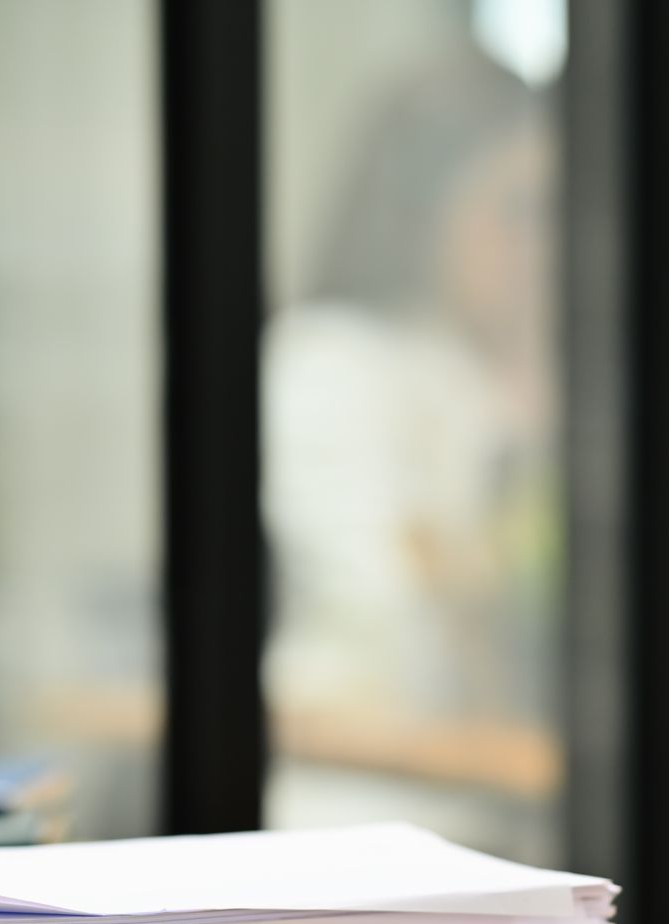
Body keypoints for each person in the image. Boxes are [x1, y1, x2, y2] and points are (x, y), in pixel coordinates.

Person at [264, 45, 554, 728]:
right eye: (514, 211)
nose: (539, 247)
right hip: (364, 775)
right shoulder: (326, 360)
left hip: (499, 781)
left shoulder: (487, 366)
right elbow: (404, 595)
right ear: (423, 210)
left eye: (551, 212)